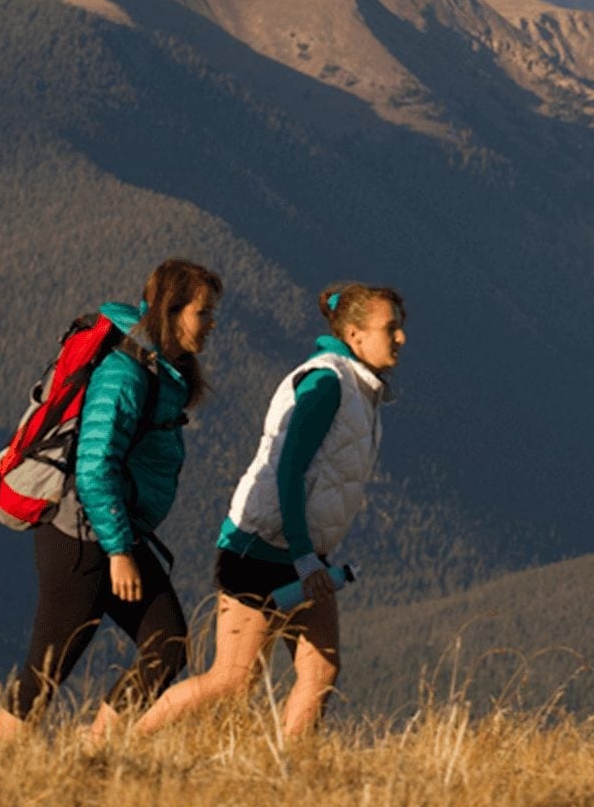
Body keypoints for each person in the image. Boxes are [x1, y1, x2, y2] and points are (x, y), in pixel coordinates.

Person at [132, 282, 405, 742]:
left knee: (321, 670)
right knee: (232, 681)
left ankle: (290, 770)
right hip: (261, 549)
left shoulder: (358, 388)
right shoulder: (326, 384)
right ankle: (126, 746)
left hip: (300, 552)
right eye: (391, 328)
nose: (400, 339)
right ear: (355, 335)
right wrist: (302, 554)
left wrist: (307, 554)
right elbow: (289, 470)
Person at [0, 257, 222, 741]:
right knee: (47, 668)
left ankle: (95, 753)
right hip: (81, 539)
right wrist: (119, 552)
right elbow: (94, 465)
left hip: (112, 529)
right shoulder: (126, 374)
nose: (211, 323)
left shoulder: (157, 368)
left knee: (168, 644)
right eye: (203, 312)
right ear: (172, 310)